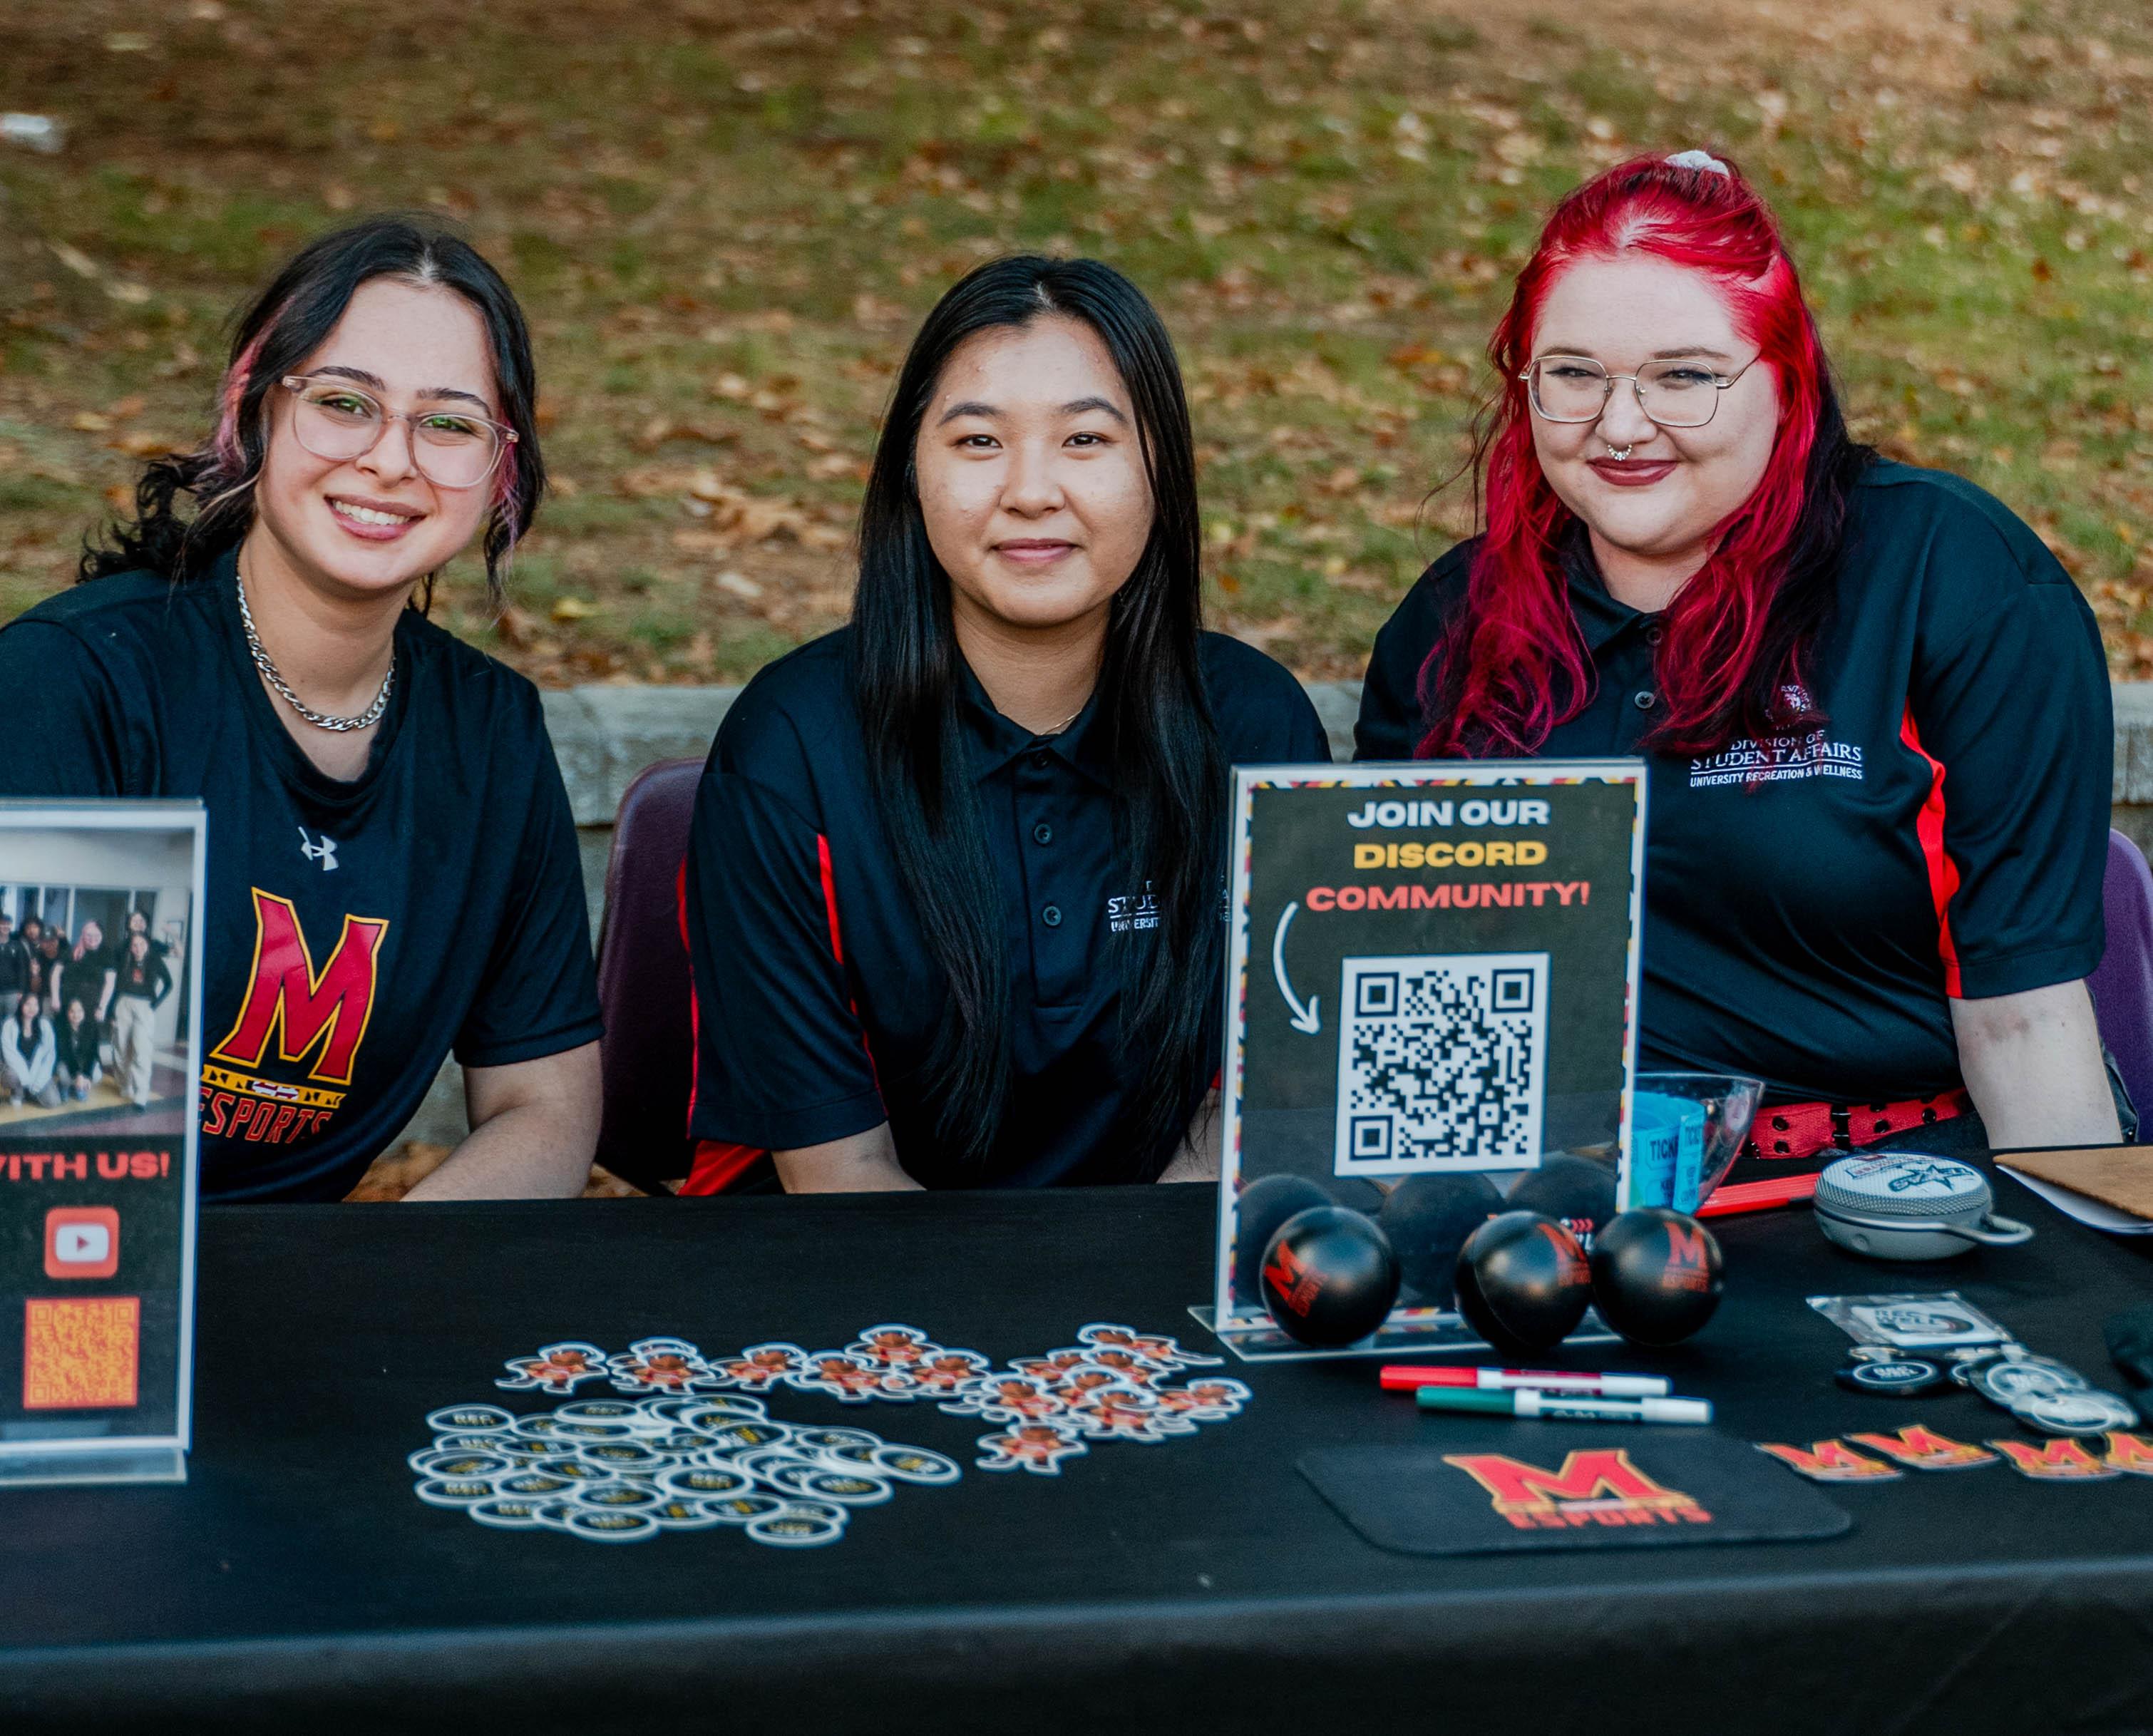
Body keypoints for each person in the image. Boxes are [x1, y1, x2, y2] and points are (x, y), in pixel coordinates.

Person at [1357, 150, 2125, 1172]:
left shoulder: (1947, 577)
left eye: (1684, 376)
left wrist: (2074, 1289)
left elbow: (2025, 1021)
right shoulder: (1452, 621)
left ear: (1785, 375)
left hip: (1893, 1197)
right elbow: (1392, 1011)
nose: (1621, 426)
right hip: (1539, 1212)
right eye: (1574, 374)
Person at [684, 255, 1330, 1194]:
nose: (1032, 491)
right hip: (867, 1302)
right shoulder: (791, 752)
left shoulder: (1256, 730)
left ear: (1161, 470)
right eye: (979, 442)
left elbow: (1233, 1126)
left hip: (1157, 1298)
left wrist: (1125, 1333)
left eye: (1085, 440)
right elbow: (840, 1176)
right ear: (911, 470)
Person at [0, 216, 602, 1200]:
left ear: (502, 469)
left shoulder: (489, 733)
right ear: (251, 409)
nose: (390, 459)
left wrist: (374, 1292)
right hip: (76, 1275)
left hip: (323, 1296)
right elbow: (67, 1142)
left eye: (448, 422)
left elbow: (546, 1103)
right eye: (343, 402)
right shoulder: (81, 688)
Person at [109, 932, 172, 1109]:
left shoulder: (155, 960)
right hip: (123, 1004)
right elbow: (115, 988)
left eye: (142, 944)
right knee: (120, 1047)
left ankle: (141, 1093)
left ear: (148, 945)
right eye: (134, 945)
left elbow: (169, 984)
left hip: (145, 1006)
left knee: (141, 1049)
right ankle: (125, 1084)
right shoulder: (125, 960)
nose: (138, 949)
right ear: (130, 947)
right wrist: (111, 1013)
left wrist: (155, 1005)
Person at [2, 993, 61, 1110]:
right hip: (16, 1068)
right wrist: (26, 1078)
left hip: (37, 1069)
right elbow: (9, 1054)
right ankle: (18, 1092)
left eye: (35, 1005)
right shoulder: (10, 1024)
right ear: (21, 1006)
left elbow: (49, 1057)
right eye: (28, 1004)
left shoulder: (45, 1025)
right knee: (11, 1076)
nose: (32, 1008)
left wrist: (38, 1083)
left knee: (53, 1102)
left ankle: (29, 1092)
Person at [54, 995, 103, 1101]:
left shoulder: (92, 1028)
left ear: (84, 1012)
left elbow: (93, 1054)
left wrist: (87, 1076)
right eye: (72, 1011)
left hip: (83, 1064)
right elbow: (66, 1055)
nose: (76, 1015)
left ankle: (78, 1087)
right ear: (67, 1013)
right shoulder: (61, 1028)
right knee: (64, 1076)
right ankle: (64, 1086)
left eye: (80, 1011)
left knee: (97, 1075)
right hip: (67, 1064)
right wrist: (78, 1075)